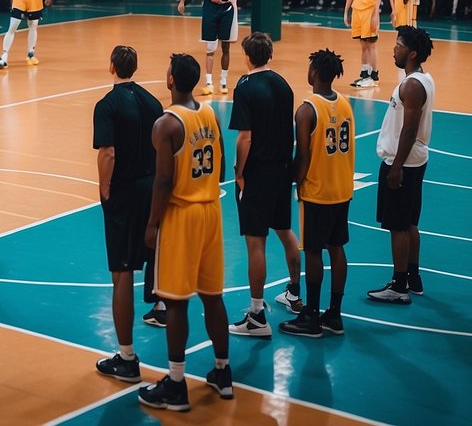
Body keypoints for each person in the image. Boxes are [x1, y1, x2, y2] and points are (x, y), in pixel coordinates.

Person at [138, 53, 233, 411]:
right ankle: (222, 371)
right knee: (213, 296)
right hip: (211, 211)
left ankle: (176, 385)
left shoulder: (166, 124)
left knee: (175, 302)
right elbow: (221, 165)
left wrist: (151, 223)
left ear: (172, 80)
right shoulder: (209, 113)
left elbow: (163, 180)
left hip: (182, 214)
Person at [92, 45, 164, 385]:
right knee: (156, 254)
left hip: (125, 191)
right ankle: (162, 308)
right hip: (152, 188)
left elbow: (108, 152)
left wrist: (105, 190)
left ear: (112, 68)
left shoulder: (107, 105)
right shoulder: (153, 102)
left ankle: (126, 357)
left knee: (122, 272)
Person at [226, 32, 303, 336]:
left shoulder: (245, 86)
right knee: (284, 230)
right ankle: (294, 292)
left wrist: (239, 171)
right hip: (282, 169)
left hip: (257, 172)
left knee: (255, 241)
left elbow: (245, 136)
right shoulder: (284, 85)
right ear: (269, 54)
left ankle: (257, 315)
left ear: (247, 56)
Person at [279, 49, 355, 338]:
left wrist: (294, 180)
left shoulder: (307, 109)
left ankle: (311, 314)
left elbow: (304, 156)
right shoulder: (346, 104)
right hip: (342, 188)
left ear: (313, 73)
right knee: (337, 249)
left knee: (313, 251)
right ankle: (334, 314)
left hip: (317, 190)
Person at [367, 26, 436, 304]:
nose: (394, 49)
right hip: (413, 160)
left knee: (398, 226)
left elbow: (409, 130)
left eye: (398, 45)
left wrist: (396, 167)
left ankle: (398, 285)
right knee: (409, 223)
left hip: (403, 162)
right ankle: (413, 277)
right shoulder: (422, 79)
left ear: (412, 52)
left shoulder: (412, 85)